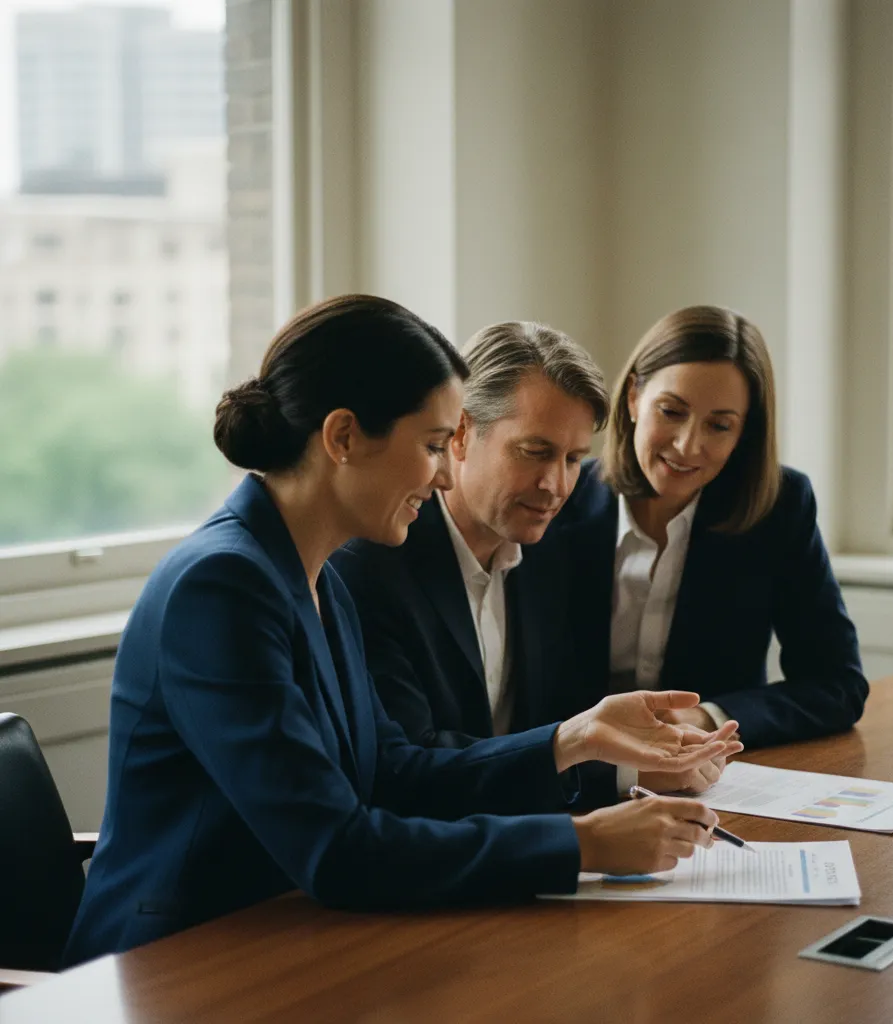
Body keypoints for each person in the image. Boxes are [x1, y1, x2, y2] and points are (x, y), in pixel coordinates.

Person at [63, 295, 729, 966]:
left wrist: (577, 738)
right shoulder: (223, 588)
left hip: (292, 935)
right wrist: (583, 843)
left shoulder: (313, 575)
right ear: (344, 437)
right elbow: (337, 849)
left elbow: (396, 775)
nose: (444, 472)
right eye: (435, 445)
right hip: (177, 962)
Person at [331, 321, 742, 804]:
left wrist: (637, 766)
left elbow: (544, 739)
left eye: (572, 459)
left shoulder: (552, 550)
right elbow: (408, 771)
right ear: (460, 434)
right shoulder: (370, 564)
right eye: (535, 452)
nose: (557, 486)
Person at [547, 305, 868, 757]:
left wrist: (705, 716)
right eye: (671, 411)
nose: (687, 445)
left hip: (709, 780)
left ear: (744, 433)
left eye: (719, 425)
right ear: (635, 396)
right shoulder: (556, 495)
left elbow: (838, 685)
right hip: (569, 777)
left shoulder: (780, 507)